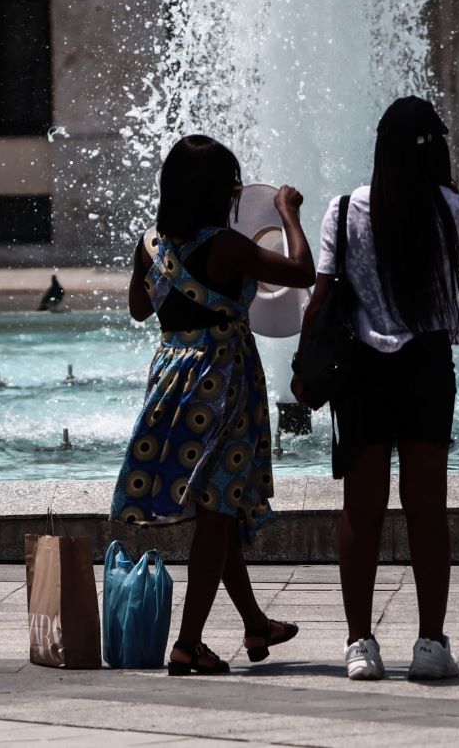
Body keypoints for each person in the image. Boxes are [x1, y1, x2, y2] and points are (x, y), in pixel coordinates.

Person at [298, 97, 459, 682]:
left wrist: (302, 370)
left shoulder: (342, 210)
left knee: (361, 512)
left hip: (361, 372)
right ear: (433, 148)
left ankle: (360, 643)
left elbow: (321, 299)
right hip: (427, 369)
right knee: (427, 510)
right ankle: (431, 644)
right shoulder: (453, 210)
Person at [112, 134, 315, 676]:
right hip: (224, 385)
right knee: (217, 513)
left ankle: (254, 623)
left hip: (173, 385)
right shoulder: (224, 246)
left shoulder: (150, 243)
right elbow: (302, 273)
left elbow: (138, 309)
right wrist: (289, 214)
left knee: (216, 513)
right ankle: (188, 644)